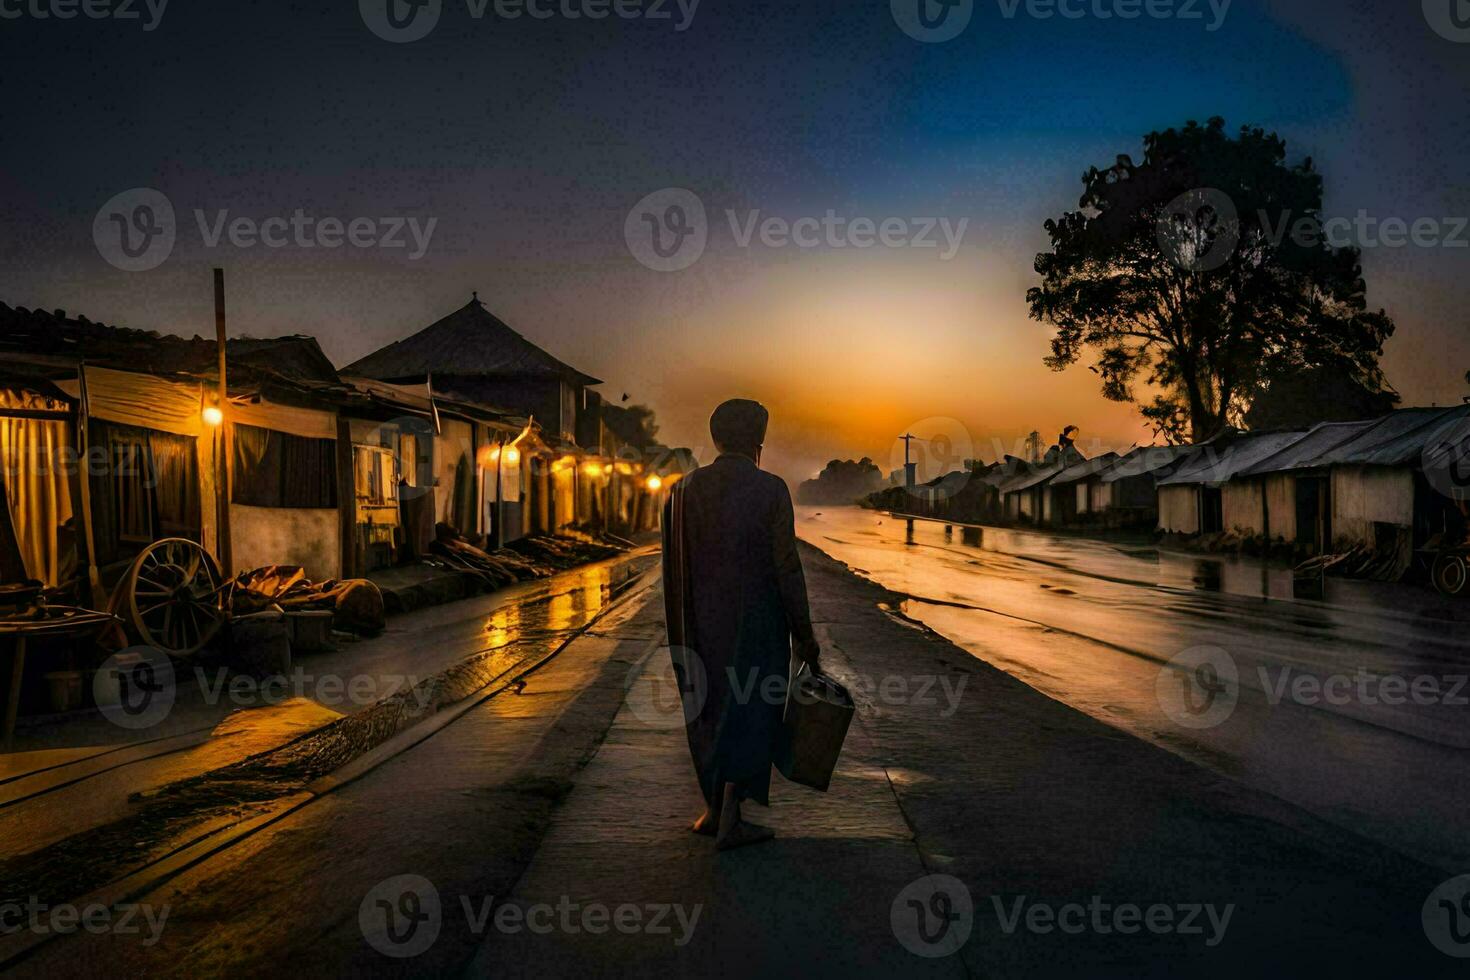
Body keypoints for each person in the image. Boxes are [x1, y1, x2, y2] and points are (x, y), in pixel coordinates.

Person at [661, 398, 821, 851]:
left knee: (707, 705)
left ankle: (713, 809)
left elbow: (672, 565)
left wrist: (681, 623)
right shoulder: (770, 490)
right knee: (750, 710)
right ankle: (731, 817)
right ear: (759, 440)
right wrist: (804, 633)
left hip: (695, 621)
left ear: (716, 439)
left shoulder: (681, 490)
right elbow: (786, 566)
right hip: (757, 621)